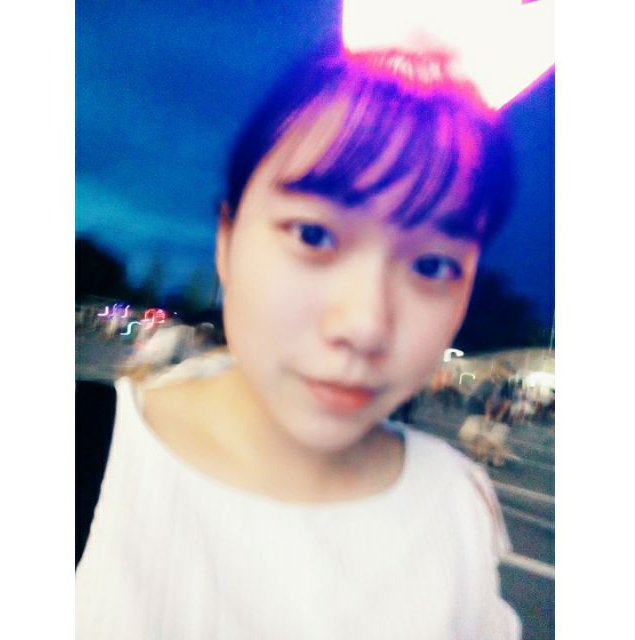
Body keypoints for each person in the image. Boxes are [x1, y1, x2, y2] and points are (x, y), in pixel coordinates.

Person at [76, 43, 520, 638]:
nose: (364, 325)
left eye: (433, 266)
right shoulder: (74, 459)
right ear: (227, 239)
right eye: (313, 235)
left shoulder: (457, 507)